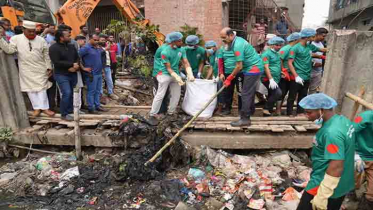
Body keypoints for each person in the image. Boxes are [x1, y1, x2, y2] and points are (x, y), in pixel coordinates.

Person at [296, 93, 355, 210]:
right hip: (343, 182)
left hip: (324, 183)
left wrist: (323, 194)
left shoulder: (331, 133)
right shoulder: (342, 120)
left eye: (309, 112)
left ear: (322, 110)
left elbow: (336, 166)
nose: (306, 116)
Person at [0, 20, 55, 117]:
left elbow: (46, 55)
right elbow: (9, 50)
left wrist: (49, 67)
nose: (32, 33)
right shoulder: (15, 39)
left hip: (40, 67)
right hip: (25, 68)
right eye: (29, 31)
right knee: (30, 89)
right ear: (23, 29)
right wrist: (0, 39)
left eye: (33, 31)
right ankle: (36, 108)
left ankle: (45, 108)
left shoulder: (41, 40)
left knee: (42, 88)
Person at [220, 27, 264, 127]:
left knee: (245, 93)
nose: (222, 40)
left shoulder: (237, 45)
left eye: (224, 37)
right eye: (221, 38)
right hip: (254, 67)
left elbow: (239, 66)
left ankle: (245, 119)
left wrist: (229, 78)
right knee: (250, 91)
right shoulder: (236, 41)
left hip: (253, 69)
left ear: (231, 35)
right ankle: (250, 111)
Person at [148, 32, 194, 125]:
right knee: (160, 94)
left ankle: (170, 113)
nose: (182, 42)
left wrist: (189, 72)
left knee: (176, 94)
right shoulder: (164, 52)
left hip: (175, 74)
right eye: (180, 41)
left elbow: (185, 62)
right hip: (164, 74)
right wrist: (177, 77)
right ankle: (152, 114)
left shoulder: (182, 49)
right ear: (173, 42)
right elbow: (168, 68)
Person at [287, 28, 327, 116]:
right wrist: (296, 76)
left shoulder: (309, 46)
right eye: (313, 36)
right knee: (292, 96)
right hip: (297, 75)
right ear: (307, 37)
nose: (314, 37)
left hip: (307, 75)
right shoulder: (295, 48)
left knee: (303, 95)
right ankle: (289, 113)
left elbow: (322, 50)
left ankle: (300, 112)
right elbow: (290, 63)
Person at [49, 30, 80, 121]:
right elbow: (56, 62)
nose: (70, 37)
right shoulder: (53, 48)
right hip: (61, 74)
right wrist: (70, 65)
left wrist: (76, 66)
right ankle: (64, 113)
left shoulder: (71, 46)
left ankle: (70, 111)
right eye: (68, 36)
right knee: (67, 93)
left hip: (73, 73)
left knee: (72, 93)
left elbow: (77, 57)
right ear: (61, 38)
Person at [79, 34, 107, 114]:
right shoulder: (85, 48)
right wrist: (83, 68)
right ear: (90, 39)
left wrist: (102, 70)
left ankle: (97, 106)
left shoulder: (97, 48)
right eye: (94, 40)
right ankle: (91, 108)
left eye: (97, 40)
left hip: (98, 73)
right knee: (91, 91)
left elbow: (100, 58)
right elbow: (77, 57)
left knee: (98, 91)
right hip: (91, 74)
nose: (96, 41)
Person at [353, 110, 373, 209]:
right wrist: (353, 153)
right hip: (359, 155)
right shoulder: (365, 117)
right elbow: (351, 131)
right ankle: (349, 195)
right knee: (352, 182)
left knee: (371, 195)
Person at [278, 32, 301, 115]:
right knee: (282, 93)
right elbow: (279, 59)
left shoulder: (295, 48)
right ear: (295, 40)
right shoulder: (286, 48)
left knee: (292, 93)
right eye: (300, 39)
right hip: (285, 74)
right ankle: (278, 110)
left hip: (291, 74)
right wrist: (282, 70)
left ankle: (288, 111)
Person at [261, 37, 285, 116]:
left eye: (280, 45)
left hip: (276, 78)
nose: (279, 47)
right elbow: (266, 67)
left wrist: (281, 72)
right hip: (267, 78)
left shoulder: (277, 54)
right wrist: (270, 79)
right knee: (278, 93)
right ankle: (266, 108)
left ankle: (268, 111)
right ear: (271, 45)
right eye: (277, 45)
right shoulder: (266, 54)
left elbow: (276, 65)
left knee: (272, 94)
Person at [152, 34, 171, 115]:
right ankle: (158, 111)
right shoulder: (164, 49)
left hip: (162, 73)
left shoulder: (165, 47)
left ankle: (163, 110)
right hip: (159, 73)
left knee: (163, 92)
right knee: (160, 93)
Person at [205, 40, 223, 114]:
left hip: (221, 76)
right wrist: (207, 78)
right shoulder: (211, 55)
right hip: (215, 76)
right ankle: (216, 107)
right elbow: (211, 67)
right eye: (207, 48)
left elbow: (221, 65)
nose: (209, 49)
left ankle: (220, 108)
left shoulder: (220, 53)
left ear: (215, 47)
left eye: (210, 48)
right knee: (215, 91)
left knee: (220, 92)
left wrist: (220, 75)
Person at [309, 28, 328, 94]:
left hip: (318, 71)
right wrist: (314, 63)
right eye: (323, 36)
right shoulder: (310, 43)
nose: (324, 38)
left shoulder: (322, 44)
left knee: (313, 89)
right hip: (309, 70)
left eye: (325, 36)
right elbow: (308, 55)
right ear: (317, 34)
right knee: (303, 88)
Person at [98, 34, 118, 100]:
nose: (103, 41)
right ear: (99, 41)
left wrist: (111, 65)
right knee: (101, 81)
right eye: (102, 40)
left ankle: (110, 92)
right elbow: (98, 56)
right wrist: (105, 49)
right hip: (101, 67)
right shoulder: (98, 48)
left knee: (109, 80)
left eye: (104, 40)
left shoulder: (107, 48)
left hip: (108, 66)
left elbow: (109, 57)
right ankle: (100, 95)